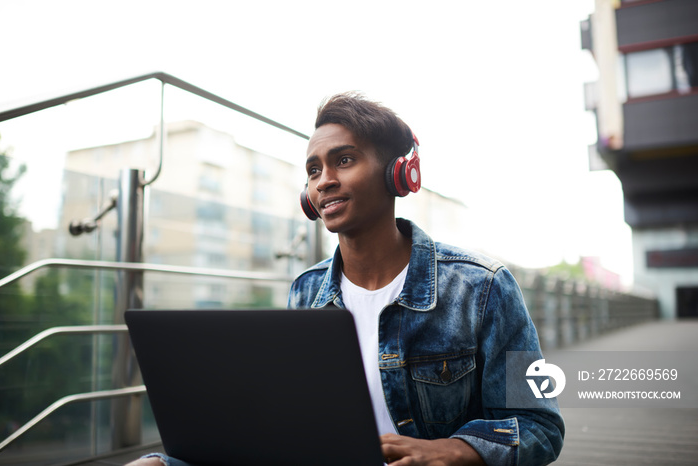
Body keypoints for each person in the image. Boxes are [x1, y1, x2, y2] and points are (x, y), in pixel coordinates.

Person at [129, 93, 564, 466]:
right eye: (314, 170)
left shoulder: (483, 287)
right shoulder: (306, 291)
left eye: (344, 160)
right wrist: (165, 461)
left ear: (399, 174)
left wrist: (454, 450)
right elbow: (282, 431)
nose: (324, 182)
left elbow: (539, 424)